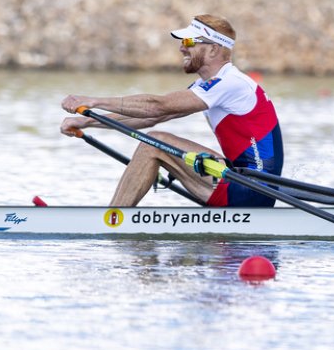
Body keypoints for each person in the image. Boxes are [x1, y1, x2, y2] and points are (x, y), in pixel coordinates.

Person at [60, 14, 284, 207]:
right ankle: (115, 217)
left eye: (189, 41)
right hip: (242, 181)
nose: (181, 47)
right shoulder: (210, 86)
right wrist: (87, 123)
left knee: (153, 143)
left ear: (214, 49)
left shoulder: (230, 83)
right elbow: (156, 115)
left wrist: (94, 101)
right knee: (155, 140)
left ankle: (113, 219)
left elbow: (157, 105)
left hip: (251, 189)